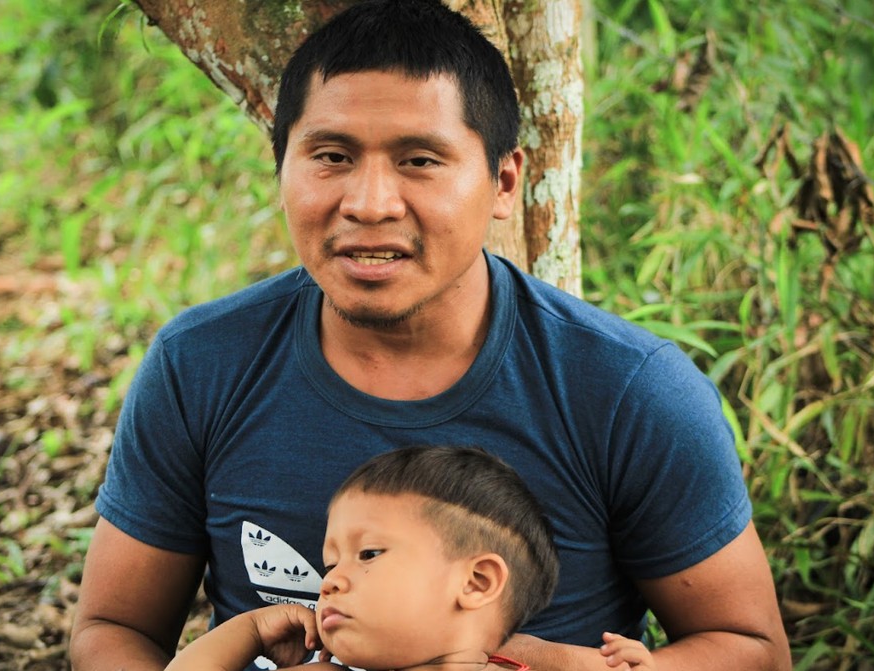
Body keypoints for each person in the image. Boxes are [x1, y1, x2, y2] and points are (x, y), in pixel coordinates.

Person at [69, 1, 791, 670]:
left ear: (505, 182)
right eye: (331, 156)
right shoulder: (203, 363)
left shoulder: (629, 390)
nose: (370, 203)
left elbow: (750, 644)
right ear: (281, 167)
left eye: (419, 160)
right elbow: (113, 630)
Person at [162, 446, 654, 671]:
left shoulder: (525, 661)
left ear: (478, 582)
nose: (329, 582)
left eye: (368, 554)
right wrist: (249, 631)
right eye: (331, 565)